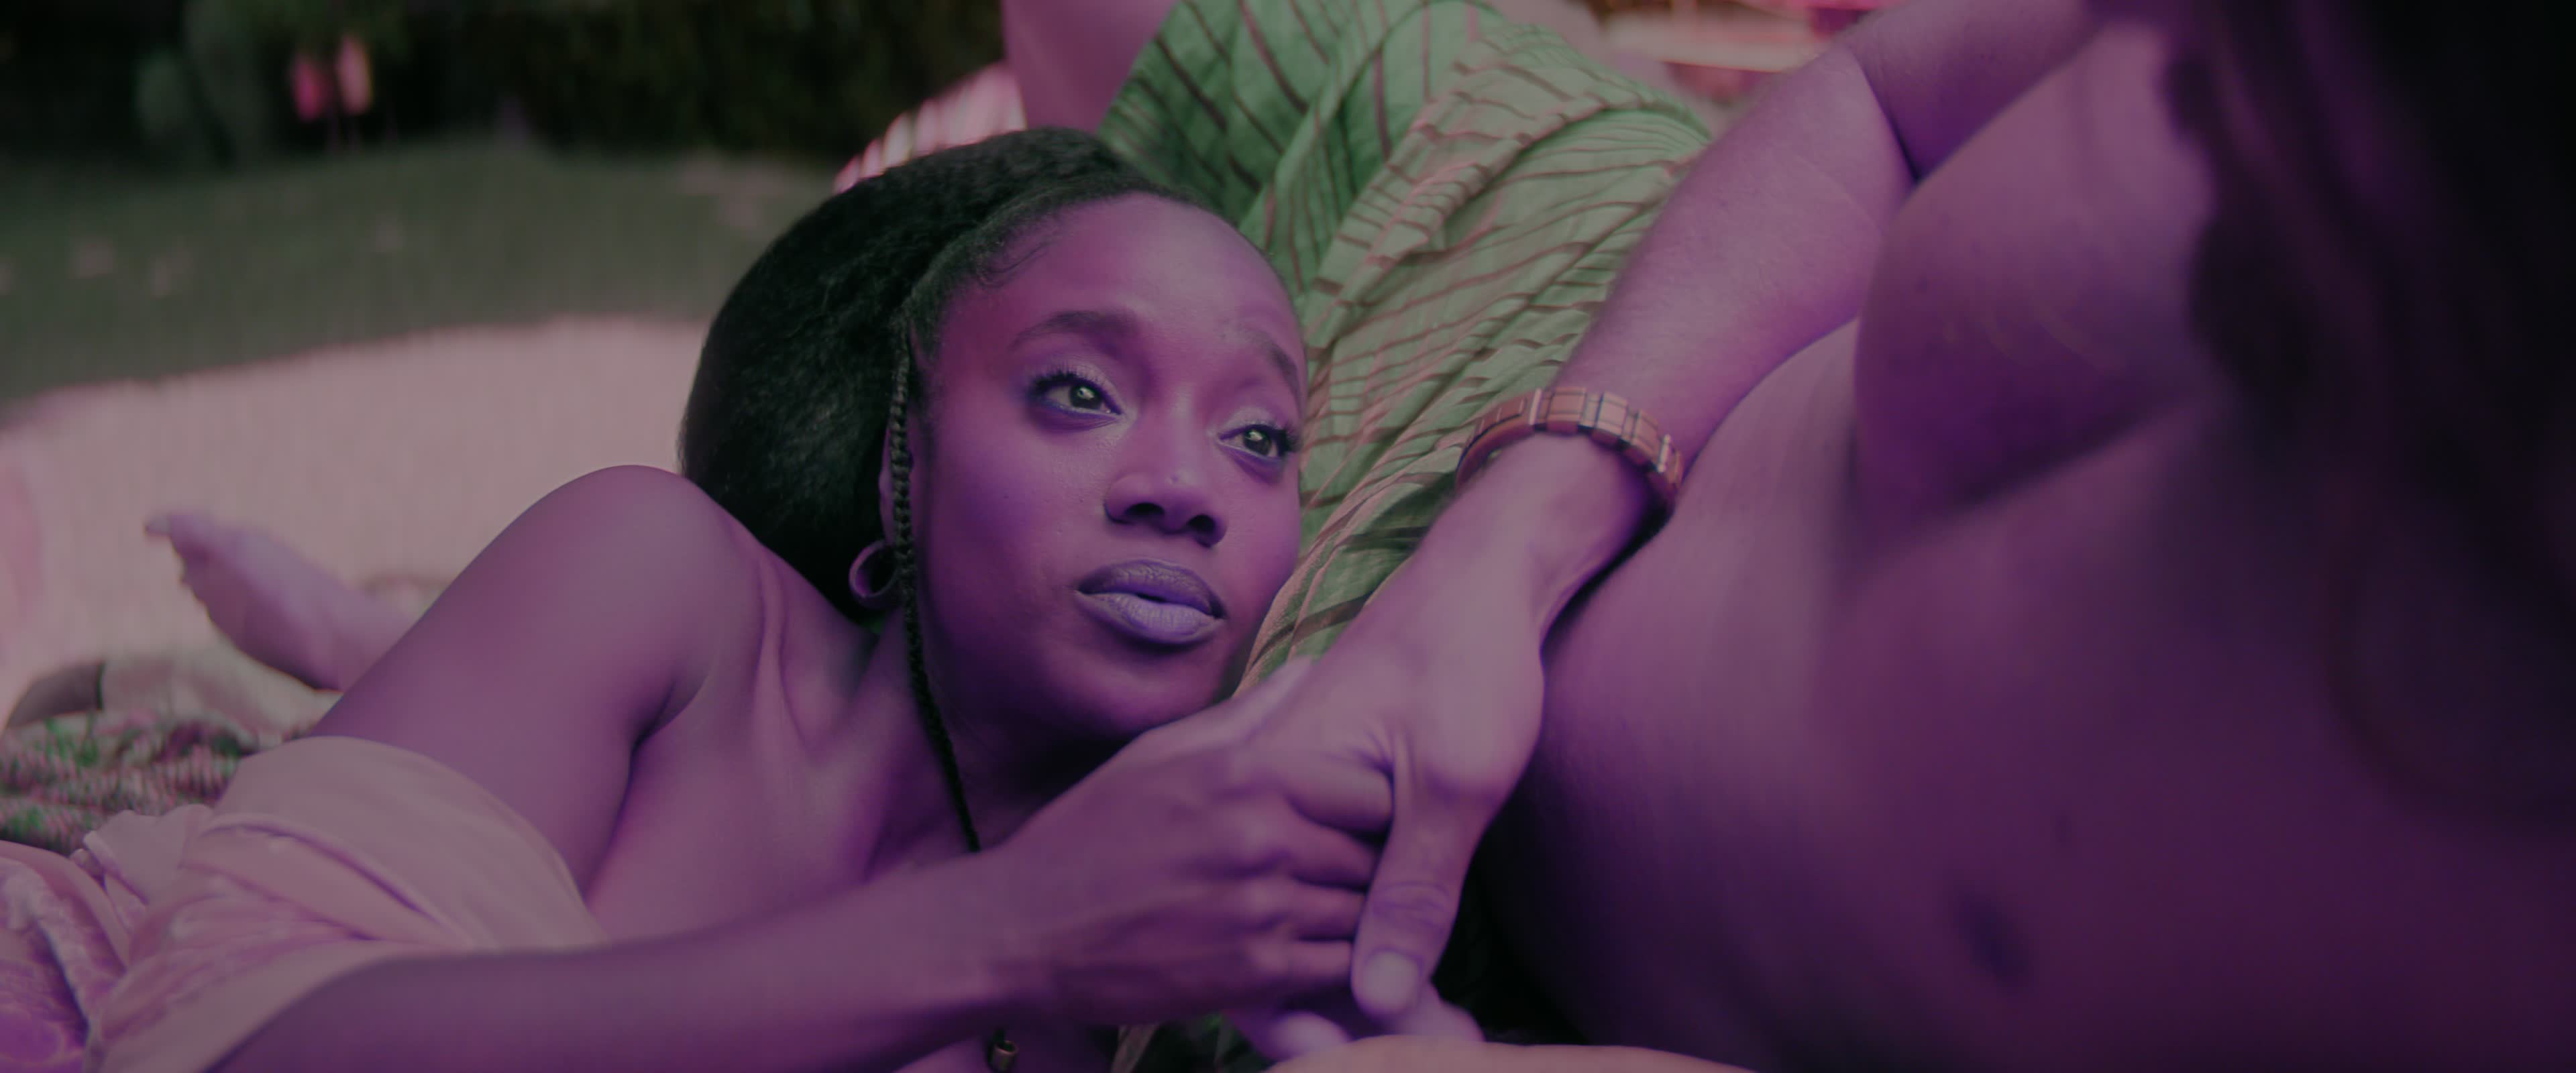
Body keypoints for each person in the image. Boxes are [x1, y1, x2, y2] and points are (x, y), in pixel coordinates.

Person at [1001, 0, 2576, 1068]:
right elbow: (1881, 96)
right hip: (1591, 289)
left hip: (1446, 991)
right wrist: (1511, 533)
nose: (2150, 36)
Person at [0, 127, 1413, 1073]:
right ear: (903, 447)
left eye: (1260, 437)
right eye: (1080, 393)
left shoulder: (1151, 977)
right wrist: (1011, 929)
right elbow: (235, 1043)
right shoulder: (663, 582)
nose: (1185, 486)